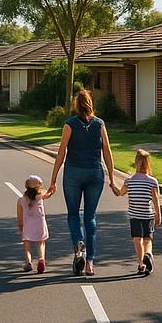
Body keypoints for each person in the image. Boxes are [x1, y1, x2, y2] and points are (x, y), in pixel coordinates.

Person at [48, 88, 116, 277]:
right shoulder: (100, 125)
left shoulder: (69, 125)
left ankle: (79, 245)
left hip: (73, 174)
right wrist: (111, 178)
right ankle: (90, 263)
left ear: (76, 105)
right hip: (95, 174)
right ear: (91, 104)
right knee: (90, 217)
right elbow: (107, 153)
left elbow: (61, 153)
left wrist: (53, 180)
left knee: (72, 215)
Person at [114, 149, 162, 275]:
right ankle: (148, 254)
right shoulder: (152, 182)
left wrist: (113, 185)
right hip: (148, 215)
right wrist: (158, 215)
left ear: (136, 163)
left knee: (137, 239)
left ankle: (141, 264)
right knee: (148, 239)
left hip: (134, 215)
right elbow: (156, 200)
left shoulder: (129, 181)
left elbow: (120, 193)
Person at [17, 174, 54, 273]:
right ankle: (41, 259)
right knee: (41, 242)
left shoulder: (21, 200)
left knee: (27, 244)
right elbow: (49, 194)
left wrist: (21, 226)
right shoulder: (40, 196)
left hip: (27, 225)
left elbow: (20, 216)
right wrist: (52, 189)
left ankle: (28, 262)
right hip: (39, 223)